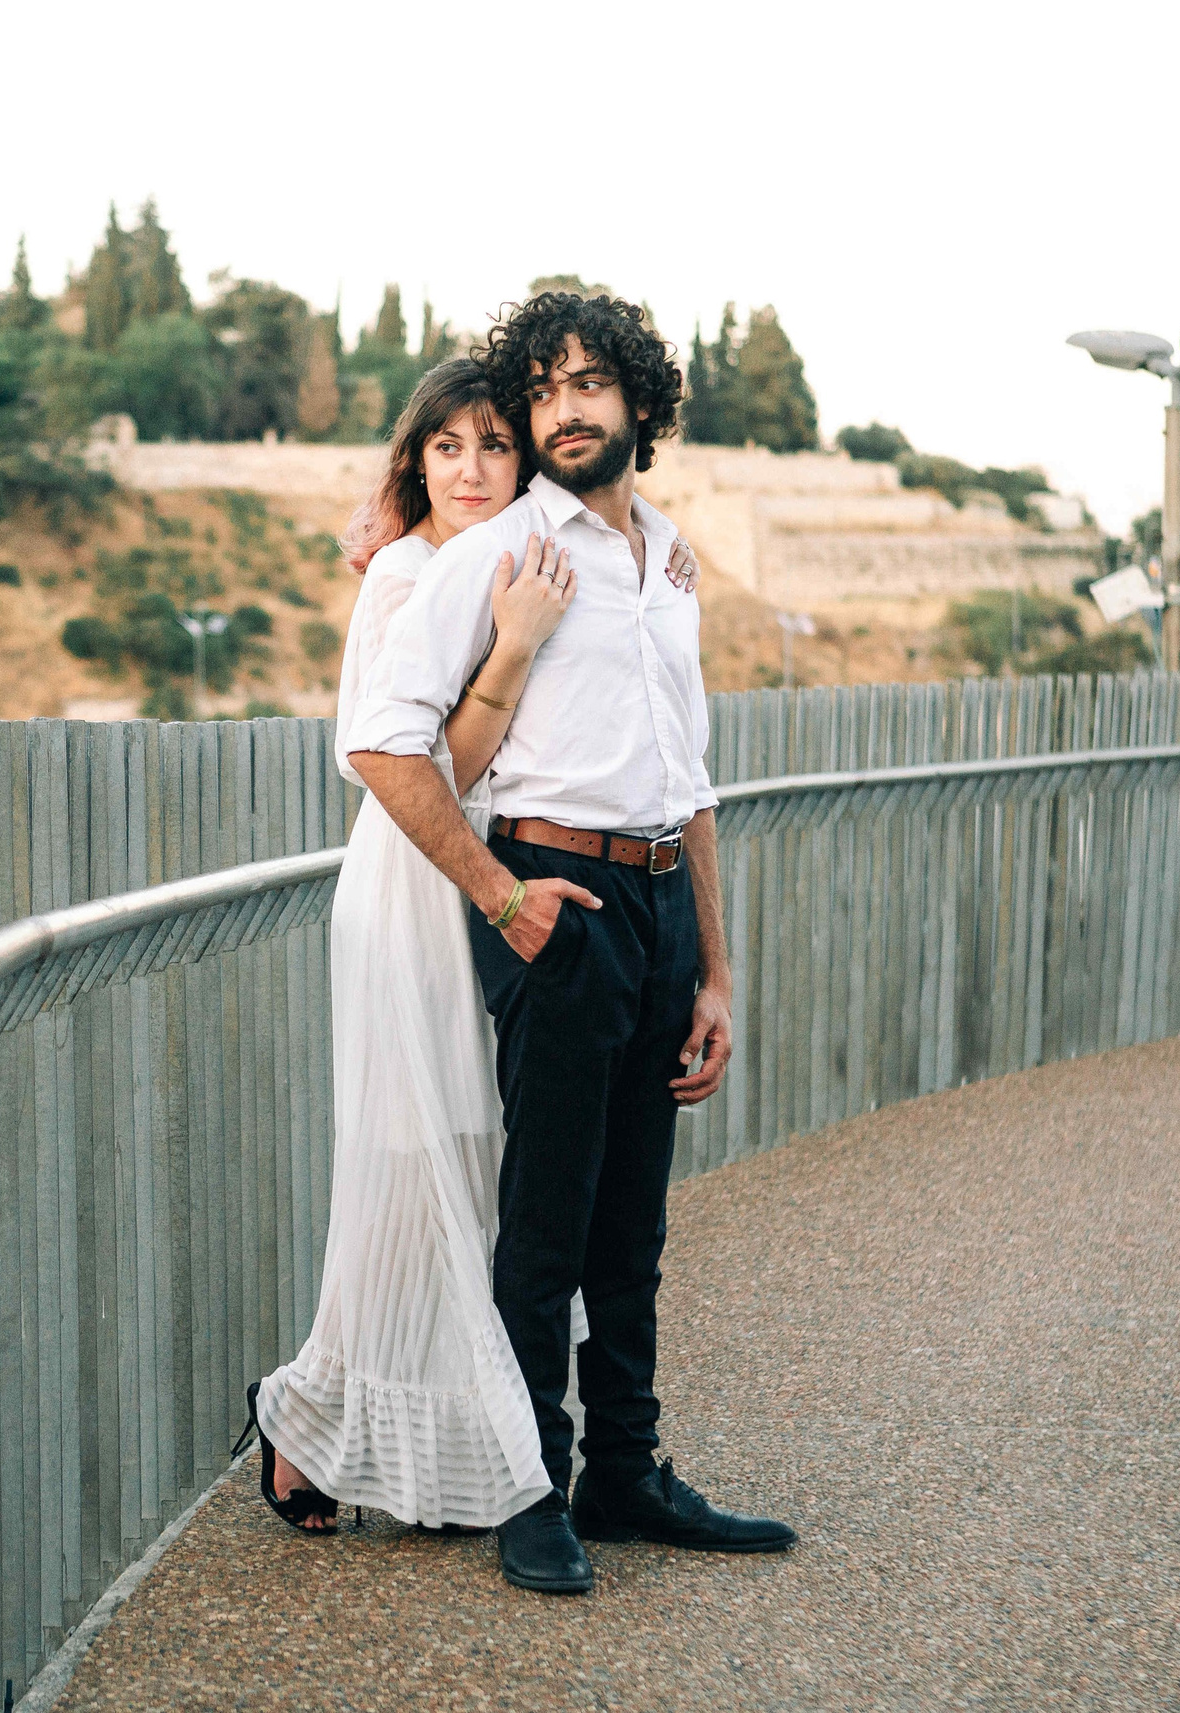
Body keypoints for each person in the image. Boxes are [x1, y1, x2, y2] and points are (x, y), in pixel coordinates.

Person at [343, 293, 798, 1593]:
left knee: (630, 1228)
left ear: (641, 404)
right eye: (542, 392)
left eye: (589, 384)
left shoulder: (669, 560)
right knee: (544, 1227)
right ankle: (528, 1484)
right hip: (556, 898)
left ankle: (625, 1472)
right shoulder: (503, 552)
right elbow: (387, 742)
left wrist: (715, 968)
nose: (563, 412)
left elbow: (693, 780)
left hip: (658, 911)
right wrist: (502, 896)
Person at [235, 358, 699, 1536]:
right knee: (416, 1167)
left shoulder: (535, 556)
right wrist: (518, 641)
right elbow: (430, 762)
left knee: (480, 1179)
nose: (475, 467)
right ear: (416, 465)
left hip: (501, 882)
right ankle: (315, 1422)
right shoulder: (408, 573)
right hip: (425, 885)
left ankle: (448, 1445)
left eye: (496, 444)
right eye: (446, 448)